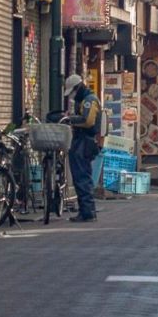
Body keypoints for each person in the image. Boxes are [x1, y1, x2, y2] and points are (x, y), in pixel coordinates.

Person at [63, 73, 101, 222]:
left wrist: (69, 119)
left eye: (72, 92)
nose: (72, 96)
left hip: (84, 142)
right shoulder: (84, 100)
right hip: (81, 141)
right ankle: (86, 211)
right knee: (81, 176)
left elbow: (88, 121)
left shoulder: (89, 100)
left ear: (78, 88)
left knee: (82, 177)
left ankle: (87, 212)